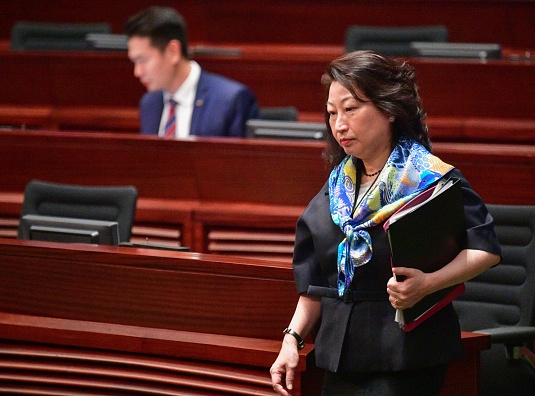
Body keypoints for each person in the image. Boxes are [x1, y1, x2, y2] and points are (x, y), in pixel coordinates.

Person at [269, 50, 502, 396]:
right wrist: (292, 339)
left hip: (405, 353)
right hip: (341, 352)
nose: (339, 125)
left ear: (389, 109)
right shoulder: (339, 186)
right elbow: (318, 282)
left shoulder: (428, 178)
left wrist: (429, 283)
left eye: (351, 109)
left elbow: (485, 249)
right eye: (332, 113)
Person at [125, 6, 259, 138]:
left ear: (173, 52)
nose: (137, 72)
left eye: (143, 60)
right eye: (134, 62)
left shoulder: (230, 101)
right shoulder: (150, 103)